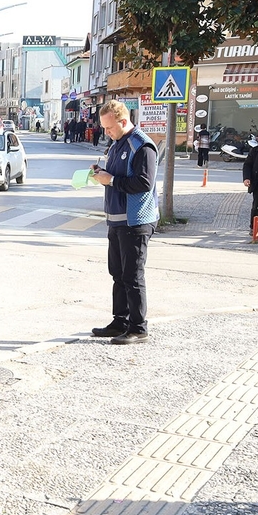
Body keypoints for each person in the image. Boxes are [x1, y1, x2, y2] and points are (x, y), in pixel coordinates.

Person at [90, 99, 159, 345]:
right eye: (104, 128)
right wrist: (101, 172)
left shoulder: (142, 146)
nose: (106, 133)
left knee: (132, 276)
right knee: (117, 274)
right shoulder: (117, 143)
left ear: (123, 121)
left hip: (135, 221)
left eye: (109, 128)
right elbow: (116, 174)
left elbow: (143, 183)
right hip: (117, 220)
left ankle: (138, 327)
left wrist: (110, 181)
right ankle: (120, 320)